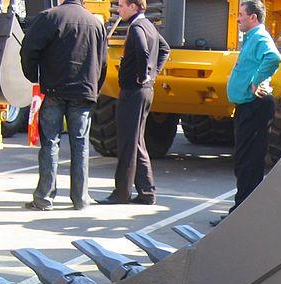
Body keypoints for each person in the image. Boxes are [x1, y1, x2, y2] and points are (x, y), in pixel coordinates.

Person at [20, 0, 108, 211]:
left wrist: (34, 77)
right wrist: (94, 89)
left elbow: (28, 50)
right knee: (81, 144)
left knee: (50, 142)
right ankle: (80, 198)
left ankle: (44, 198)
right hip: (83, 91)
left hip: (53, 89)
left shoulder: (50, 17)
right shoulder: (96, 23)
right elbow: (103, 62)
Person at [212, 0, 281, 225]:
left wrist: (256, 81)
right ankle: (243, 210)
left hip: (255, 106)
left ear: (253, 17)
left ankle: (243, 215)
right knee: (244, 160)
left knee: (249, 161)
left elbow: (273, 58)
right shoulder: (251, 38)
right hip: (247, 106)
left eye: (241, 14)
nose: (238, 18)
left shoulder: (259, 37)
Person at [96, 0, 170, 205]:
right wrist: (153, 74)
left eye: (122, 5)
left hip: (133, 91)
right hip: (144, 91)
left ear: (134, 7)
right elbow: (165, 49)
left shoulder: (137, 27)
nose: (119, 9)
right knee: (136, 141)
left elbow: (143, 51)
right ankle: (147, 191)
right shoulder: (149, 25)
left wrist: (144, 74)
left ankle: (121, 192)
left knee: (127, 143)